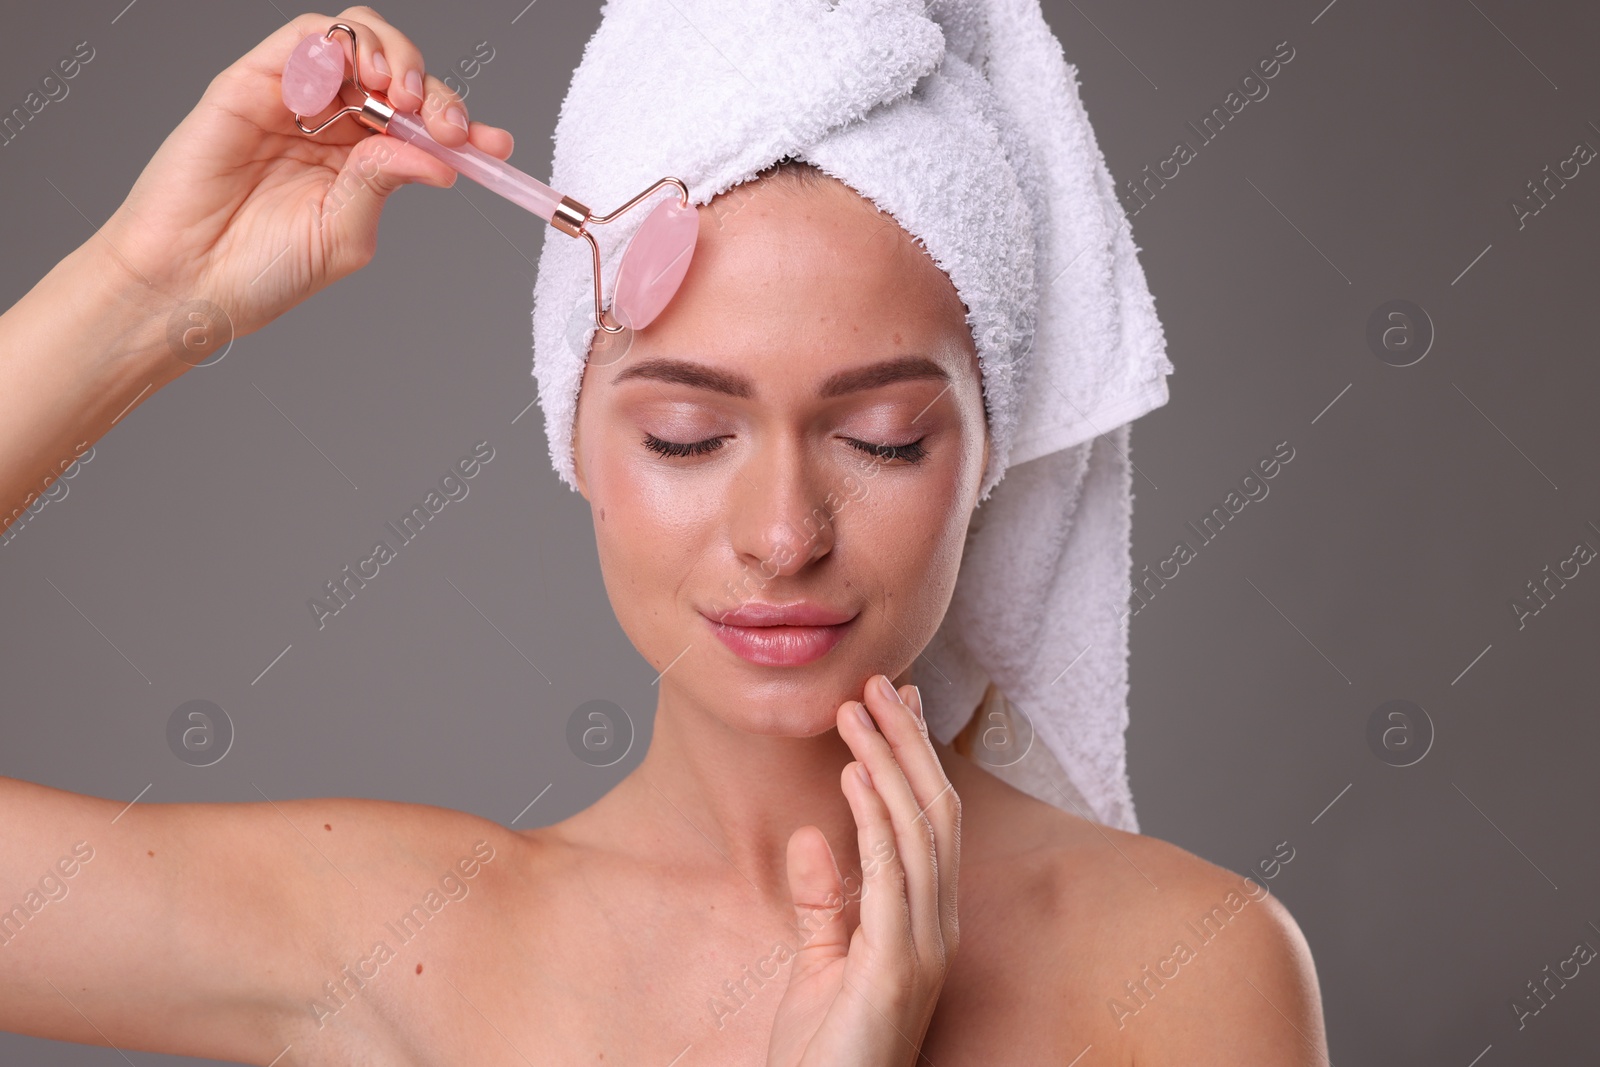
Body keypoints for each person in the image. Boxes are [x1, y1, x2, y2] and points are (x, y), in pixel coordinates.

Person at [0, 8, 1327, 1064]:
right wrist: (145, 295)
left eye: (883, 440)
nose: (781, 534)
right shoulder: (407, 941)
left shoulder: (1192, 970)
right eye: (689, 436)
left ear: (990, 455)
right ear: (572, 433)